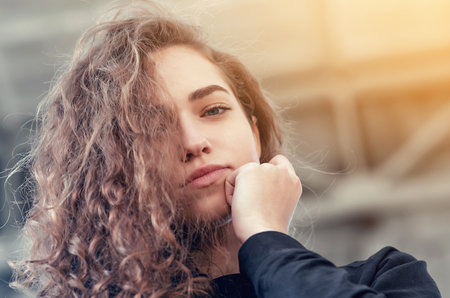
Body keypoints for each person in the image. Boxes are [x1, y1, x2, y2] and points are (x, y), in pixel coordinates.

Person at [10, 2, 441, 297]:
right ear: (115, 171)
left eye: (213, 109)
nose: (194, 141)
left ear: (254, 133)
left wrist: (264, 237)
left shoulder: (388, 277)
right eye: (152, 127)